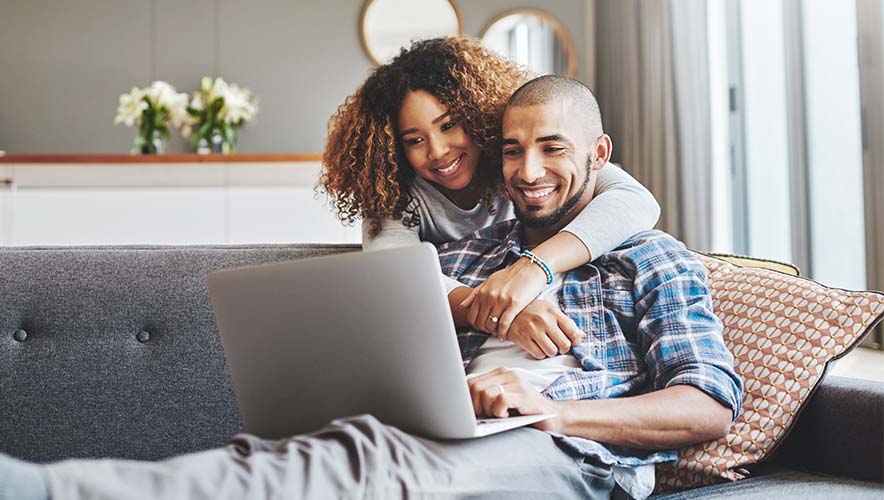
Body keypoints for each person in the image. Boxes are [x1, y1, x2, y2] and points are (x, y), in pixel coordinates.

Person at [0, 75, 741, 500]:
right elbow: (393, 313)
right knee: (300, 452)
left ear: (599, 154)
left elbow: (707, 406)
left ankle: (51, 492)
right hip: (446, 431)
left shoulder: (649, 258)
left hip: (572, 454)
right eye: (513, 150)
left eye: (553, 148)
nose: (529, 169)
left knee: (368, 469)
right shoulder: (473, 251)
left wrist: (550, 410)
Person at [321, 37, 660, 355]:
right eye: (414, 140)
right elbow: (393, 277)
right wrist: (500, 313)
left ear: (478, 116)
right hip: (464, 337)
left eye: (449, 125)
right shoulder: (393, 194)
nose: (438, 151)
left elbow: (637, 201)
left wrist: (535, 267)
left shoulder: (519, 162)